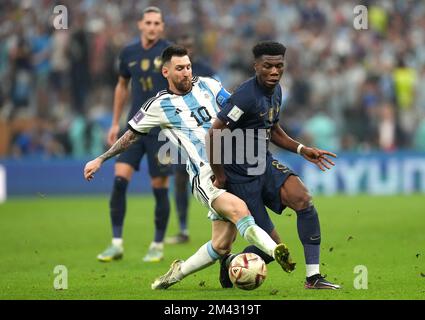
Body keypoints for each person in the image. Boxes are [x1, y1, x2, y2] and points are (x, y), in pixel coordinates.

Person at [84, 45, 295, 290]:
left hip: (235, 167)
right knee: (240, 210)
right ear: (166, 72)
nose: (185, 73)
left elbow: (238, 113)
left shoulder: (210, 85)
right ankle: (275, 249)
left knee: (221, 246)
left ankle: (176, 274)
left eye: (188, 67)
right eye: (179, 69)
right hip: (206, 176)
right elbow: (130, 136)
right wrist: (101, 159)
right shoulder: (157, 106)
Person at [209, 41, 340, 289]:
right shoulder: (245, 97)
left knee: (302, 198)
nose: (274, 72)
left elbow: (273, 129)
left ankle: (313, 277)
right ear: (256, 66)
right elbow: (214, 133)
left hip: (264, 164)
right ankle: (230, 262)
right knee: (273, 251)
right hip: (241, 177)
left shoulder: (276, 91)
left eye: (279, 66)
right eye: (268, 66)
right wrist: (220, 175)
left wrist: (302, 149)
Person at [96, 7, 173, 263]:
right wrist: (115, 123)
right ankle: (116, 243)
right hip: (134, 128)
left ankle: (157, 245)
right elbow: (121, 85)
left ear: (162, 27)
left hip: (163, 131)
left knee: (159, 187)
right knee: (119, 180)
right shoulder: (128, 52)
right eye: (148, 22)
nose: (152, 27)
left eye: (157, 23)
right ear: (140, 24)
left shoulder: (171, 54)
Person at [165, 33, 219, 245]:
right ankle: (183, 229)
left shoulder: (207, 72)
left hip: (210, 137)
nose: (186, 50)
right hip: (182, 136)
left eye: (188, 46)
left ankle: (225, 224)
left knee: (220, 179)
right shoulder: (170, 74)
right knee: (179, 180)